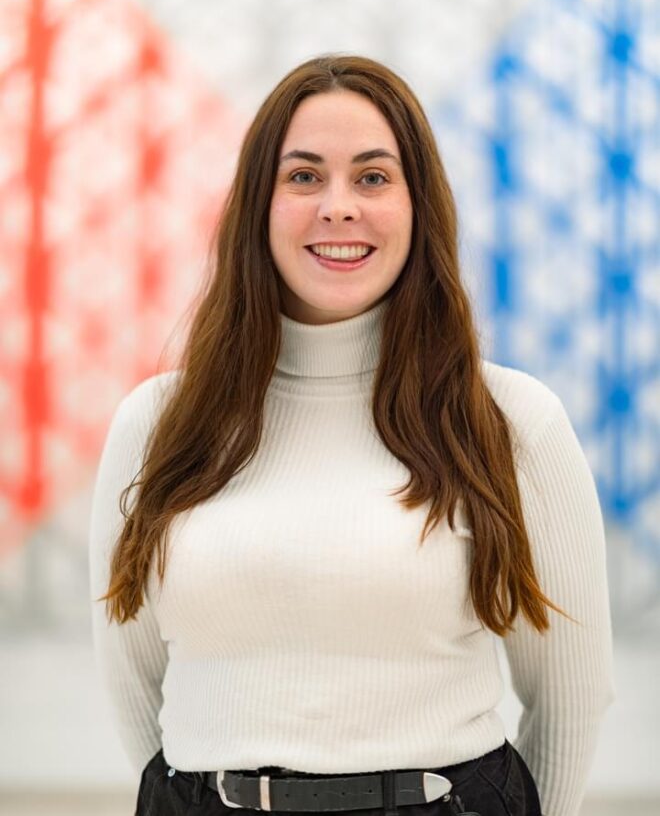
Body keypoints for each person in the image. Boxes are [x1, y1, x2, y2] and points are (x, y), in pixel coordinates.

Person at [89, 53, 615, 816]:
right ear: (257, 207)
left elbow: (569, 700)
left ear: (418, 206)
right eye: (303, 176)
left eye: (373, 177)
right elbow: (136, 686)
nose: (339, 206)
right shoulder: (158, 425)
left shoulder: (509, 421)